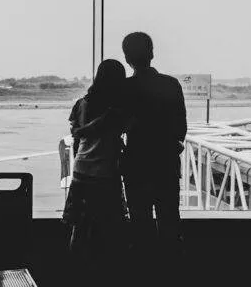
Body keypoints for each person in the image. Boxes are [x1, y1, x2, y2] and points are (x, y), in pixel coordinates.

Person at [74, 32, 187, 285]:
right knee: (170, 219)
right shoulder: (171, 84)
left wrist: (84, 130)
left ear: (127, 58)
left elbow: (112, 119)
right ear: (152, 52)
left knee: (141, 222)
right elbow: (181, 127)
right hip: (167, 163)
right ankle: (173, 273)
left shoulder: (126, 88)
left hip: (137, 164)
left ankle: (145, 274)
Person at [62, 59, 128, 287]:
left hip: (81, 171)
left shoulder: (82, 103)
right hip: (105, 174)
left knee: (78, 227)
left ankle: (74, 275)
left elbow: (76, 135)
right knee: (110, 228)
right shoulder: (118, 109)